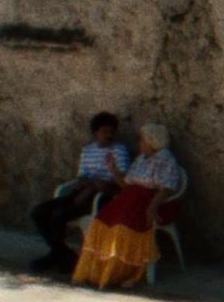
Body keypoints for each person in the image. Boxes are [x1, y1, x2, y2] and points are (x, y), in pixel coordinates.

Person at [70, 122, 182, 290]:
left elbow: (166, 188)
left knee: (122, 229)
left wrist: (151, 208)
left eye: (142, 140)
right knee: (100, 222)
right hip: (128, 199)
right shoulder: (142, 159)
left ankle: (118, 274)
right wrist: (114, 170)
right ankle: (95, 272)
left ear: (153, 141)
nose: (140, 143)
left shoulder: (166, 159)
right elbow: (127, 184)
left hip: (148, 201)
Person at [28, 112, 130, 275]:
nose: (109, 135)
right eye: (105, 131)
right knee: (38, 212)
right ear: (95, 133)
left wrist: (93, 187)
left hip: (102, 198)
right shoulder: (88, 150)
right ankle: (63, 254)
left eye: (112, 132)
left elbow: (118, 184)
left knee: (59, 215)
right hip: (82, 193)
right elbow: (81, 178)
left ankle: (59, 256)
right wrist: (92, 185)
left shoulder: (119, 150)